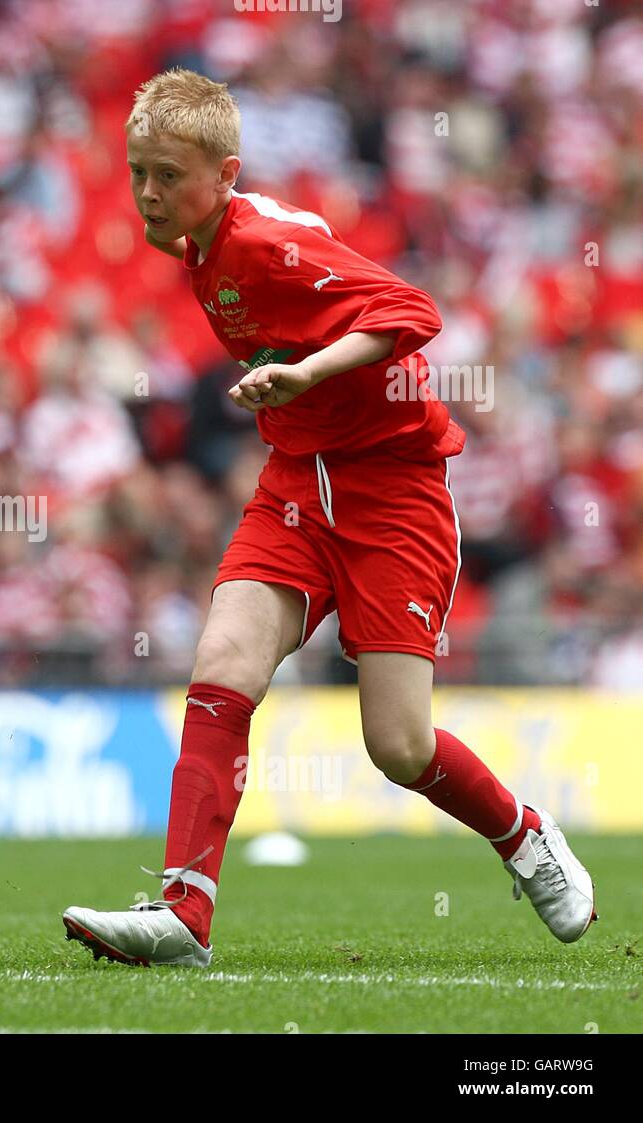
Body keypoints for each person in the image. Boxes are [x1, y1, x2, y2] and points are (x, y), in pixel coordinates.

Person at [62, 69, 596, 967]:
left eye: (167, 175)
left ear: (225, 175)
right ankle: (184, 914)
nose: (148, 194)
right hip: (299, 481)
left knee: (398, 744)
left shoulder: (264, 242)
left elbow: (413, 309)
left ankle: (524, 833)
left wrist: (308, 373)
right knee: (224, 661)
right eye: (137, 172)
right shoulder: (195, 243)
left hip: (394, 491)